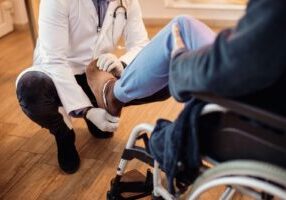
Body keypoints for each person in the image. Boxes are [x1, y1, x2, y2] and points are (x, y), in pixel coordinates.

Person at [87, 0, 286, 118]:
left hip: (261, 103)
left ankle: (114, 95)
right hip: (271, 89)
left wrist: (181, 63)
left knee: (180, 30)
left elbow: (241, 63)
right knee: (185, 24)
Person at [16, 0, 149, 174]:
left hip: (95, 72)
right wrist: (87, 111)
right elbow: (55, 60)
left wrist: (122, 63)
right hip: (58, 74)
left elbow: (141, 44)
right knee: (30, 88)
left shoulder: (128, 2)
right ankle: (63, 132)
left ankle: (97, 104)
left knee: (163, 80)